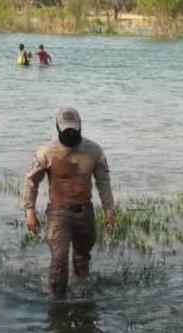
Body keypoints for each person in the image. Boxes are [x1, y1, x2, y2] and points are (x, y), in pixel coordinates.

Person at [22, 107, 115, 297]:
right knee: (59, 260)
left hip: (85, 211)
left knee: (82, 259)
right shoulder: (46, 152)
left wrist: (109, 210)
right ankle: (57, 304)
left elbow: (103, 181)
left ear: (80, 126)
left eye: (74, 128)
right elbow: (31, 181)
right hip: (58, 212)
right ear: (58, 128)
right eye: (66, 130)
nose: (71, 132)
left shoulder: (94, 151)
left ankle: (82, 297)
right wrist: (29, 211)